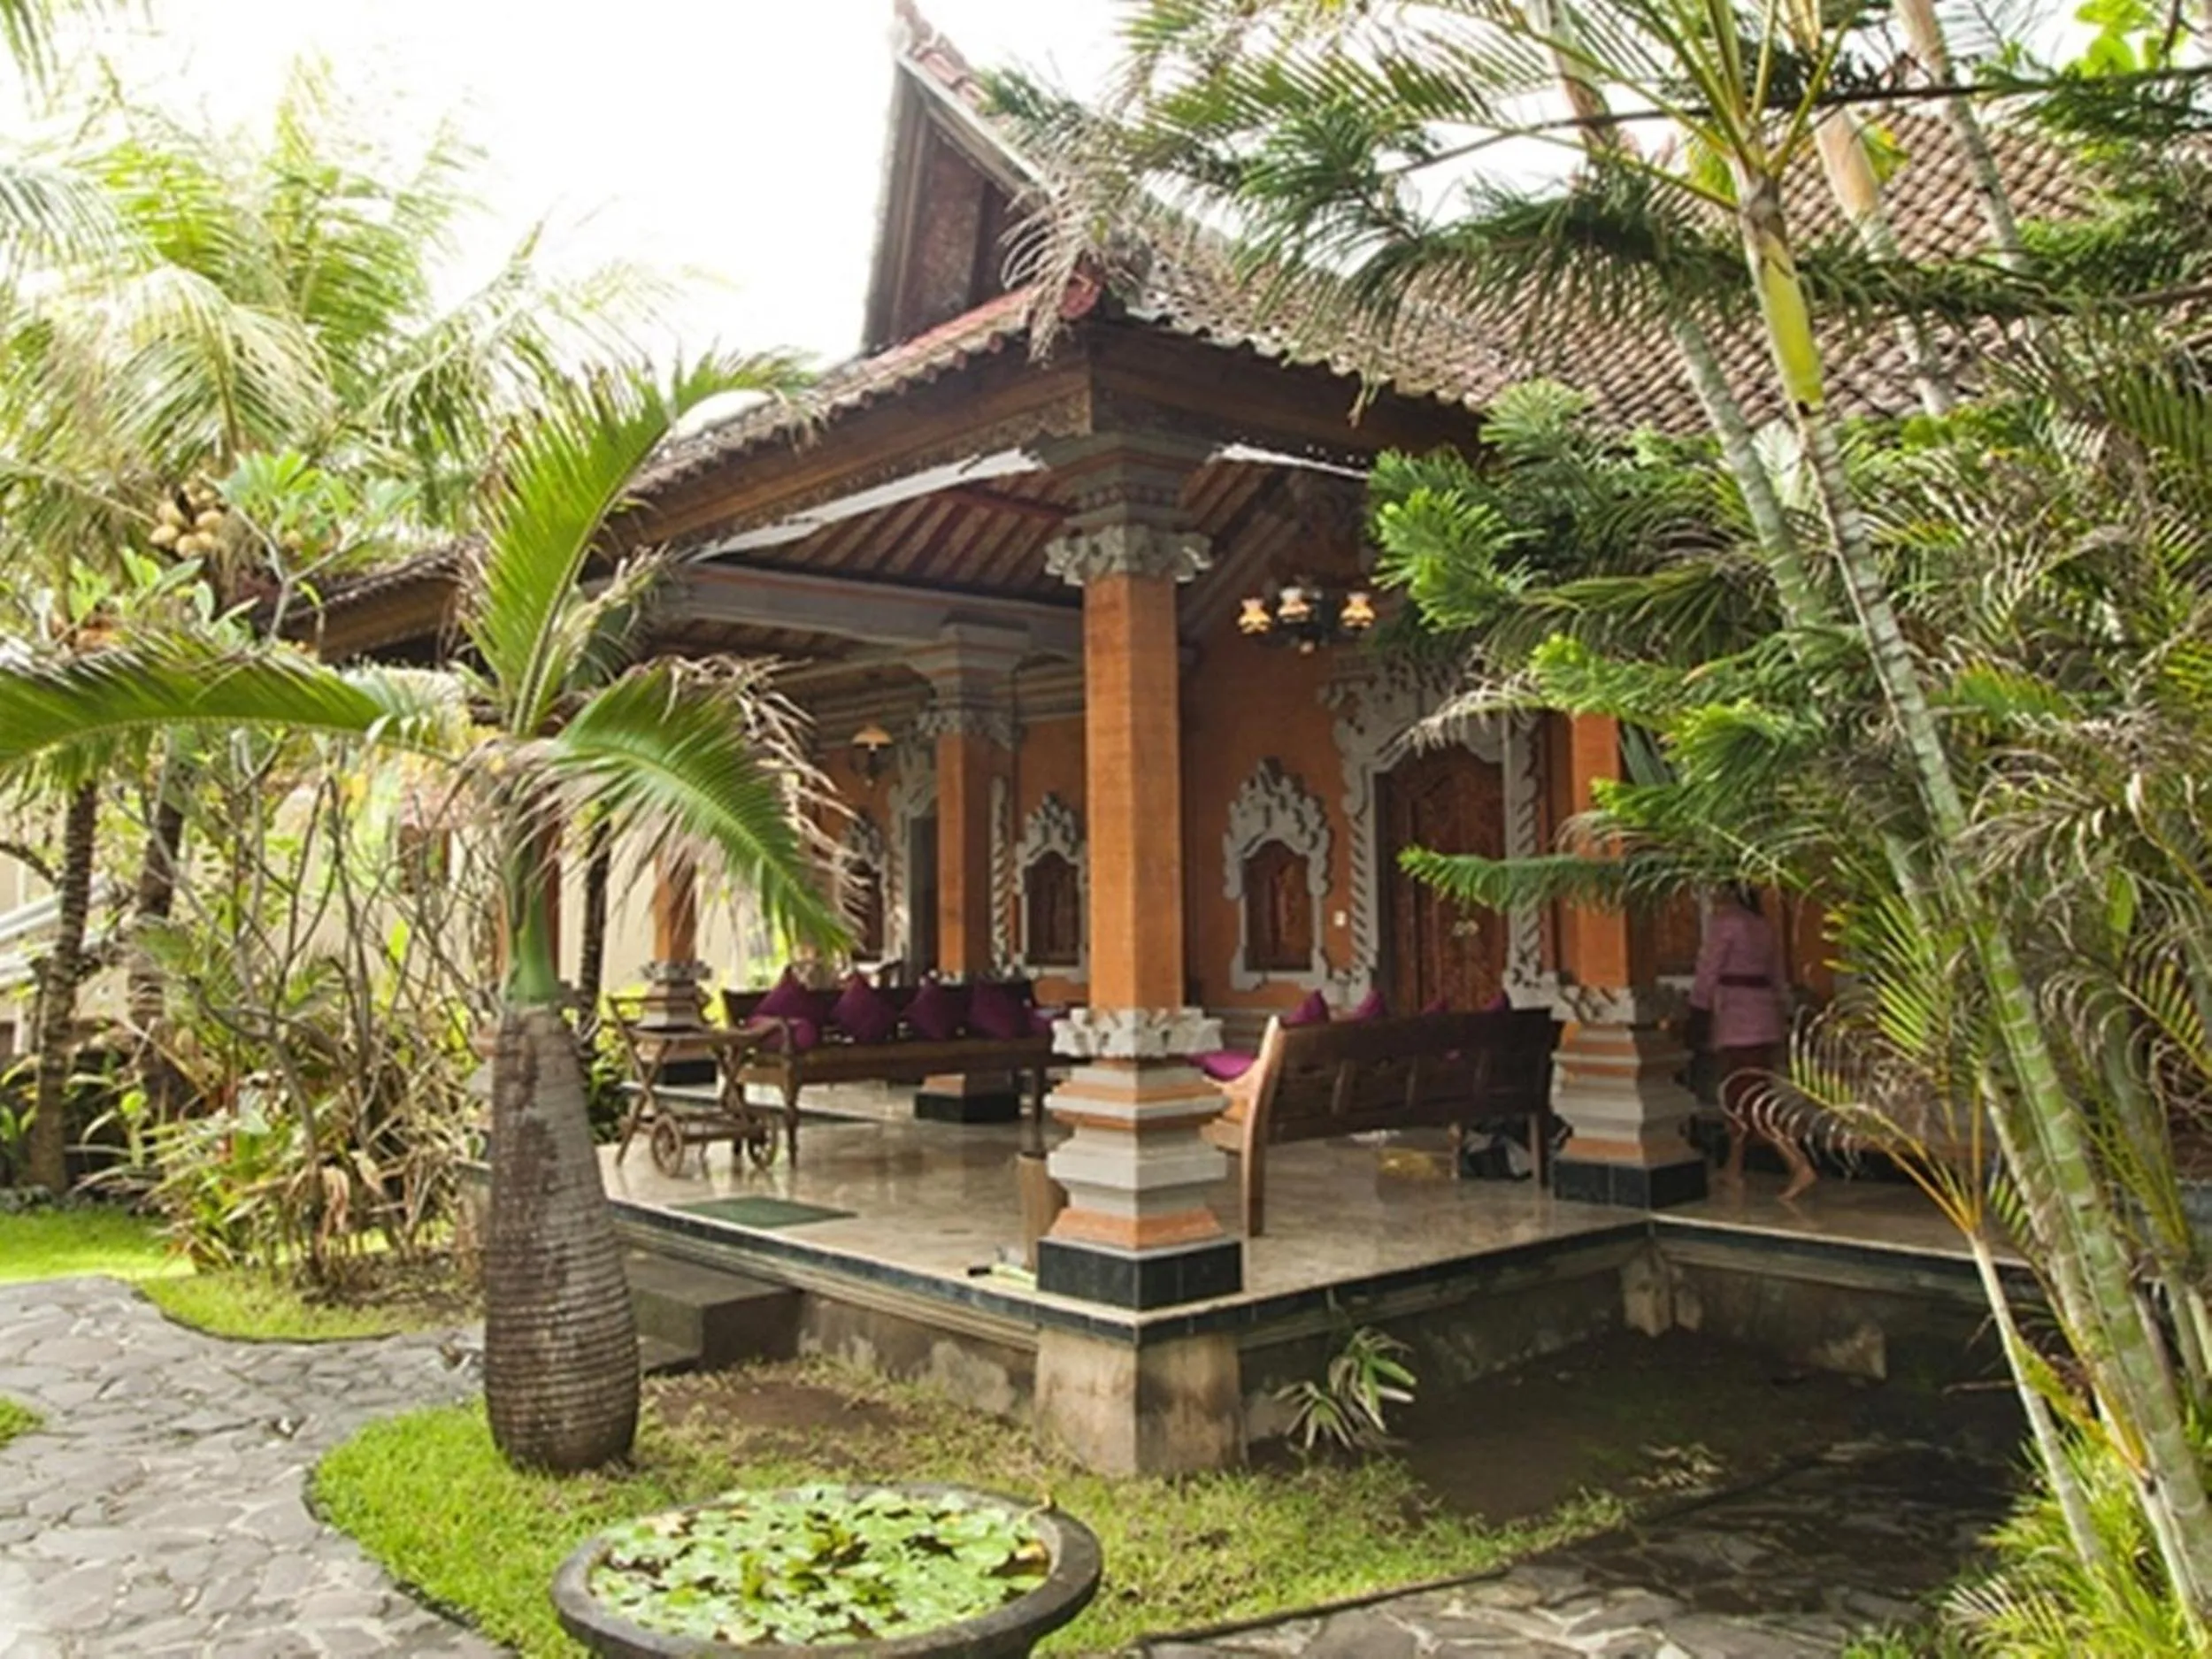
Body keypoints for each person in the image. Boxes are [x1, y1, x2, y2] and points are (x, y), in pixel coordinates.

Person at [1689, 884, 1816, 1201]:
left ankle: (1797, 1163)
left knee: (1748, 1097)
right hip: (1764, 1017)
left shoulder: (1726, 924)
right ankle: (1733, 1169)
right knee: (1741, 1096)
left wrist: (1698, 1011)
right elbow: (1777, 976)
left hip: (1737, 1020)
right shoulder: (1763, 926)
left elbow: (1708, 971)